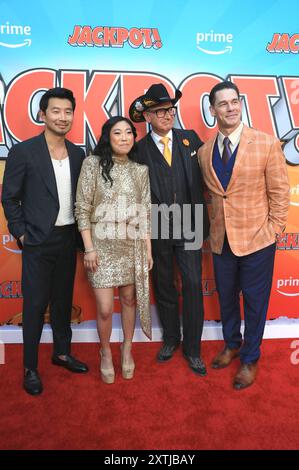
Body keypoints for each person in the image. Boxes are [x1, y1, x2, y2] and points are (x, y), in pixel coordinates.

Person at [198, 81, 290, 389]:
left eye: (234, 101)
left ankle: (250, 357)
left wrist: (273, 229)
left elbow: (279, 191)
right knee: (226, 299)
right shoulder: (204, 151)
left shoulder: (265, 143)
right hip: (221, 239)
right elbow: (211, 196)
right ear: (213, 110)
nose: (230, 107)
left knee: (254, 302)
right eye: (222, 104)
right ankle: (232, 344)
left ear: (241, 103)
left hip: (258, 240)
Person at [2, 87, 88, 396]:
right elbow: (9, 198)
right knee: (36, 305)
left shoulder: (78, 153)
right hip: (38, 241)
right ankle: (30, 367)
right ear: (43, 115)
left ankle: (62, 353)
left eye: (68, 112)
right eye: (56, 111)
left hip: (68, 239)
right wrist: (23, 233)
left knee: (63, 302)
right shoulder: (24, 152)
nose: (62, 117)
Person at [129, 84, 209, 376]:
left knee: (191, 284)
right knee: (163, 284)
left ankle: (193, 349)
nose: (167, 115)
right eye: (160, 111)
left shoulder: (191, 140)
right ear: (147, 116)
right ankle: (171, 339)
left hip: (190, 220)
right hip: (158, 223)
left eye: (170, 110)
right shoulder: (138, 150)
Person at [75, 116, 152, 384]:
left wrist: (148, 250)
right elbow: (82, 208)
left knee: (129, 300)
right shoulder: (92, 164)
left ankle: (127, 347)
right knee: (106, 308)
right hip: (100, 244)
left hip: (132, 243)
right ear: (108, 137)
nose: (124, 137)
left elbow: (145, 214)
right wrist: (89, 249)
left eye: (129, 132)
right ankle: (105, 351)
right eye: (117, 133)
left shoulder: (140, 170)